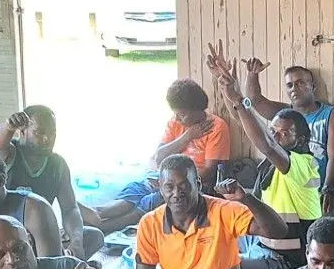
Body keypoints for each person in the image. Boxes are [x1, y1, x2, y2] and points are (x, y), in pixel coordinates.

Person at [215, 59, 323, 269]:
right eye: (273, 130)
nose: (276, 136)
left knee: (219, 267)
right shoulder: (272, 163)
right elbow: (243, 119)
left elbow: (266, 144)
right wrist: (226, 87)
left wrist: (238, 99)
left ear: (300, 140)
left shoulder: (303, 164)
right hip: (261, 243)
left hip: (287, 260)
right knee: (203, 243)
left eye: (284, 133)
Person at [92, 79, 233, 233]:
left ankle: (102, 228)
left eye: (183, 115)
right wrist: (187, 136)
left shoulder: (217, 127)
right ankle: (93, 214)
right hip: (161, 177)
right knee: (133, 192)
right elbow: (159, 156)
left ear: (197, 110)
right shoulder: (176, 122)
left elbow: (208, 172)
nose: (178, 119)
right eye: (176, 114)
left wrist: (171, 181)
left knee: (150, 202)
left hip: (186, 185)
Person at [133, 156, 289, 269]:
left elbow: (278, 231)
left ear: (198, 185)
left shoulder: (223, 211)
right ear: (160, 188)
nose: (176, 193)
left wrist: (247, 199)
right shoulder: (149, 223)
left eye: (184, 185)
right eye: (169, 186)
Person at [0, 105, 100, 259]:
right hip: (9, 237)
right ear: (22, 132)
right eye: (39, 132)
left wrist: (76, 241)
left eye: (52, 133)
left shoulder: (58, 164)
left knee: (95, 237)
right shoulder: (10, 154)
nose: (47, 139)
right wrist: (8, 126)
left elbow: (70, 209)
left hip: (42, 234)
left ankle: (57, 259)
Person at [240, 57, 334, 213]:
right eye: (289, 85)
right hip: (288, 184)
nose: (294, 89)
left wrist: (327, 189)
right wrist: (252, 74)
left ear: (313, 86)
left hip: (316, 187)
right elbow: (255, 101)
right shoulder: (285, 116)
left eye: (300, 83)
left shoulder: (330, 114)